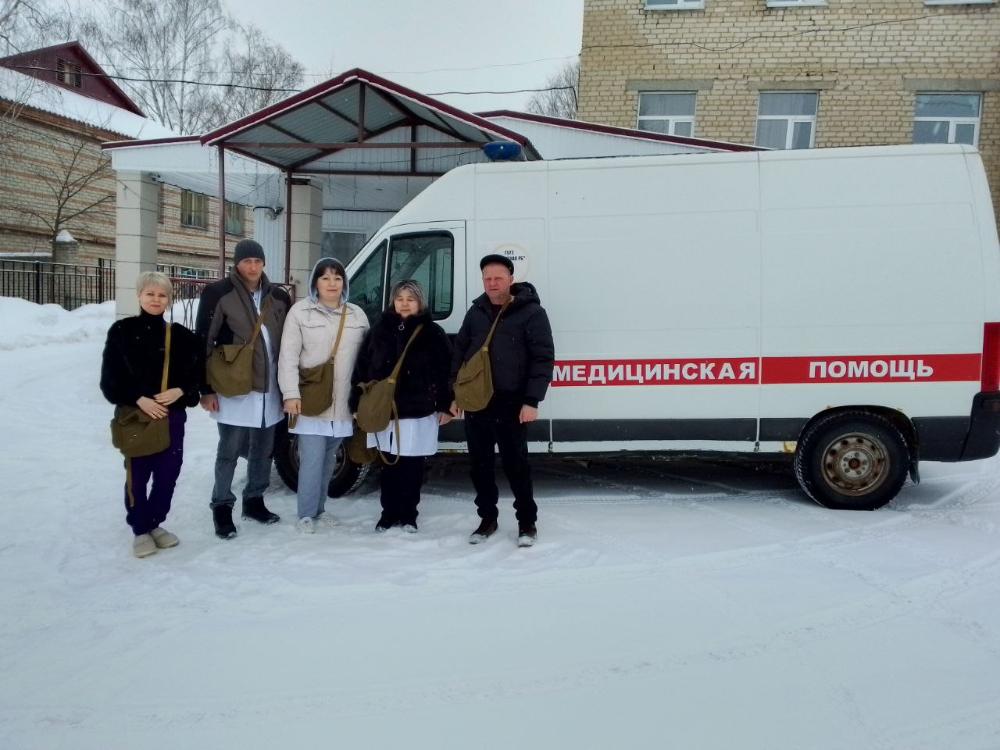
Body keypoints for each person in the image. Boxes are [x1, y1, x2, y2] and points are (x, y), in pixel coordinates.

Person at [450, 254, 554, 547]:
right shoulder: (476, 312)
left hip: (513, 403)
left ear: (511, 278)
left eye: (498, 278)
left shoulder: (532, 313)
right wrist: (455, 394)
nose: (492, 284)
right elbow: (459, 353)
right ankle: (487, 519)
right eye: (487, 279)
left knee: (516, 465)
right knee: (479, 466)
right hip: (477, 402)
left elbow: (543, 359)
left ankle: (526, 523)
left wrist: (532, 400)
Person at [101, 272, 202, 558]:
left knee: (168, 474)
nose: (156, 300)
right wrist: (138, 399)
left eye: (162, 295)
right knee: (138, 476)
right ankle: (140, 529)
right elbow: (110, 380)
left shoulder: (181, 335)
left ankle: (155, 522)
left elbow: (197, 375)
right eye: (150, 294)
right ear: (139, 296)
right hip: (137, 418)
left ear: (170, 300)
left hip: (172, 418)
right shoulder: (121, 331)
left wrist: (180, 390)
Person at [196, 239, 292, 540]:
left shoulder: (278, 296)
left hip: (270, 387)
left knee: (264, 450)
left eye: (257, 261)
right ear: (237, 264)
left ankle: (254, 501)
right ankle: (222, 506)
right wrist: (206, 389)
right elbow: (204, 340)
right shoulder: (218, 293)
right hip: (234, 386)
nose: (252, 267)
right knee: (229, 450)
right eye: (247, 261)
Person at [350, 280, 453, 533]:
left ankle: (409, 514)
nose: (405, 303)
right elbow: (361, 368)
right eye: (400, 298)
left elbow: (445, 372)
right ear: (393, 301)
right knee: (388, 465)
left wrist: (446, 405)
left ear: (420, 302)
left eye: (411, 298)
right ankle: (388, 513)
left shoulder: (432, 333)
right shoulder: (378, 331)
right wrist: (356, 401)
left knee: (413, 466)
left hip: (419, 410)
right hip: (385, 409)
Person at [278, 258, 368, 533]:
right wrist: (290, 393)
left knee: (330, 460)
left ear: (345, 283)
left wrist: (363, 398)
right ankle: (306, 514)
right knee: (312, 459)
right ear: (315, 282)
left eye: (337, 278)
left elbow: (368, 358)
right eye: (325, 278)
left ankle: (319, 509)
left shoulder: (356, 315)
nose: (332, 283)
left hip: (343, 403)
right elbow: (288, 356)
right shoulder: (300, 313)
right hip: (311, 399)